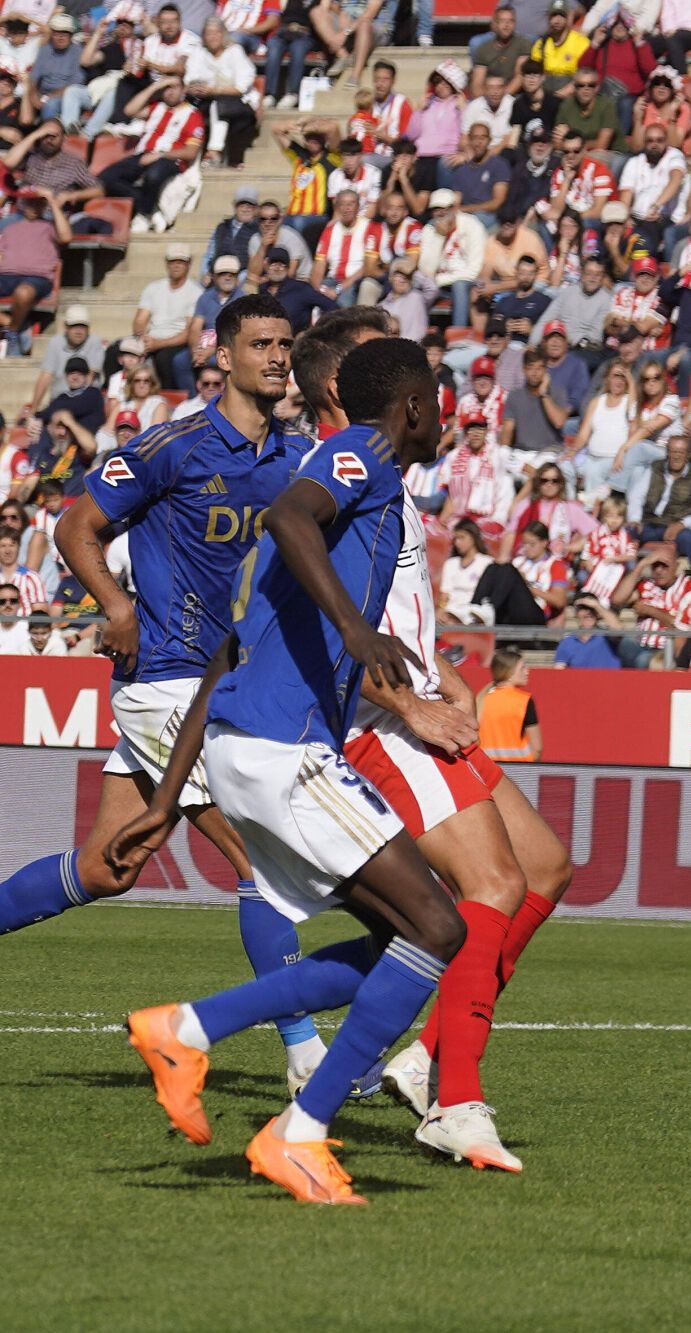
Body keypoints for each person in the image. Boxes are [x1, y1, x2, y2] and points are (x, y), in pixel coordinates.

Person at [110, 336, 465, 1205]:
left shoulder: (345, 497)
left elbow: (229, 647)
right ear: (412, 406)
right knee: (440, 927)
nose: (445, 411)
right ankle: (298, 1132)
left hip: (240, 738)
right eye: (438, 396)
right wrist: (351, 628)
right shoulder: (364, 452)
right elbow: (289, 517)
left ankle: (188, 1027)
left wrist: (165, 799)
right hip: (285, 746)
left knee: (400, 937)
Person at [0, 295, 327, 1091]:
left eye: (286, 344)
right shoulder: (171, 446)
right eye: (261, 344)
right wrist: (116, 606)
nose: (278, 357)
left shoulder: (298, 456)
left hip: (233, 683)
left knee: (108, 867)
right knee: (262, 859)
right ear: (223, 357)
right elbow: (78, 526)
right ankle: (308, 1055)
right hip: (168, 681)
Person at [285, 307, 573, 1171]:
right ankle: (453, 1092)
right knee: (485, 886)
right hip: (383, 717)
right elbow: (322, 608)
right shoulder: (340, 466)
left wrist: (434, 662)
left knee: (545, 869)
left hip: (412, 696)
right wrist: (404, 703)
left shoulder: (378, 469)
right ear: (352, 387)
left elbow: (380, 599)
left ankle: (426, 1058)